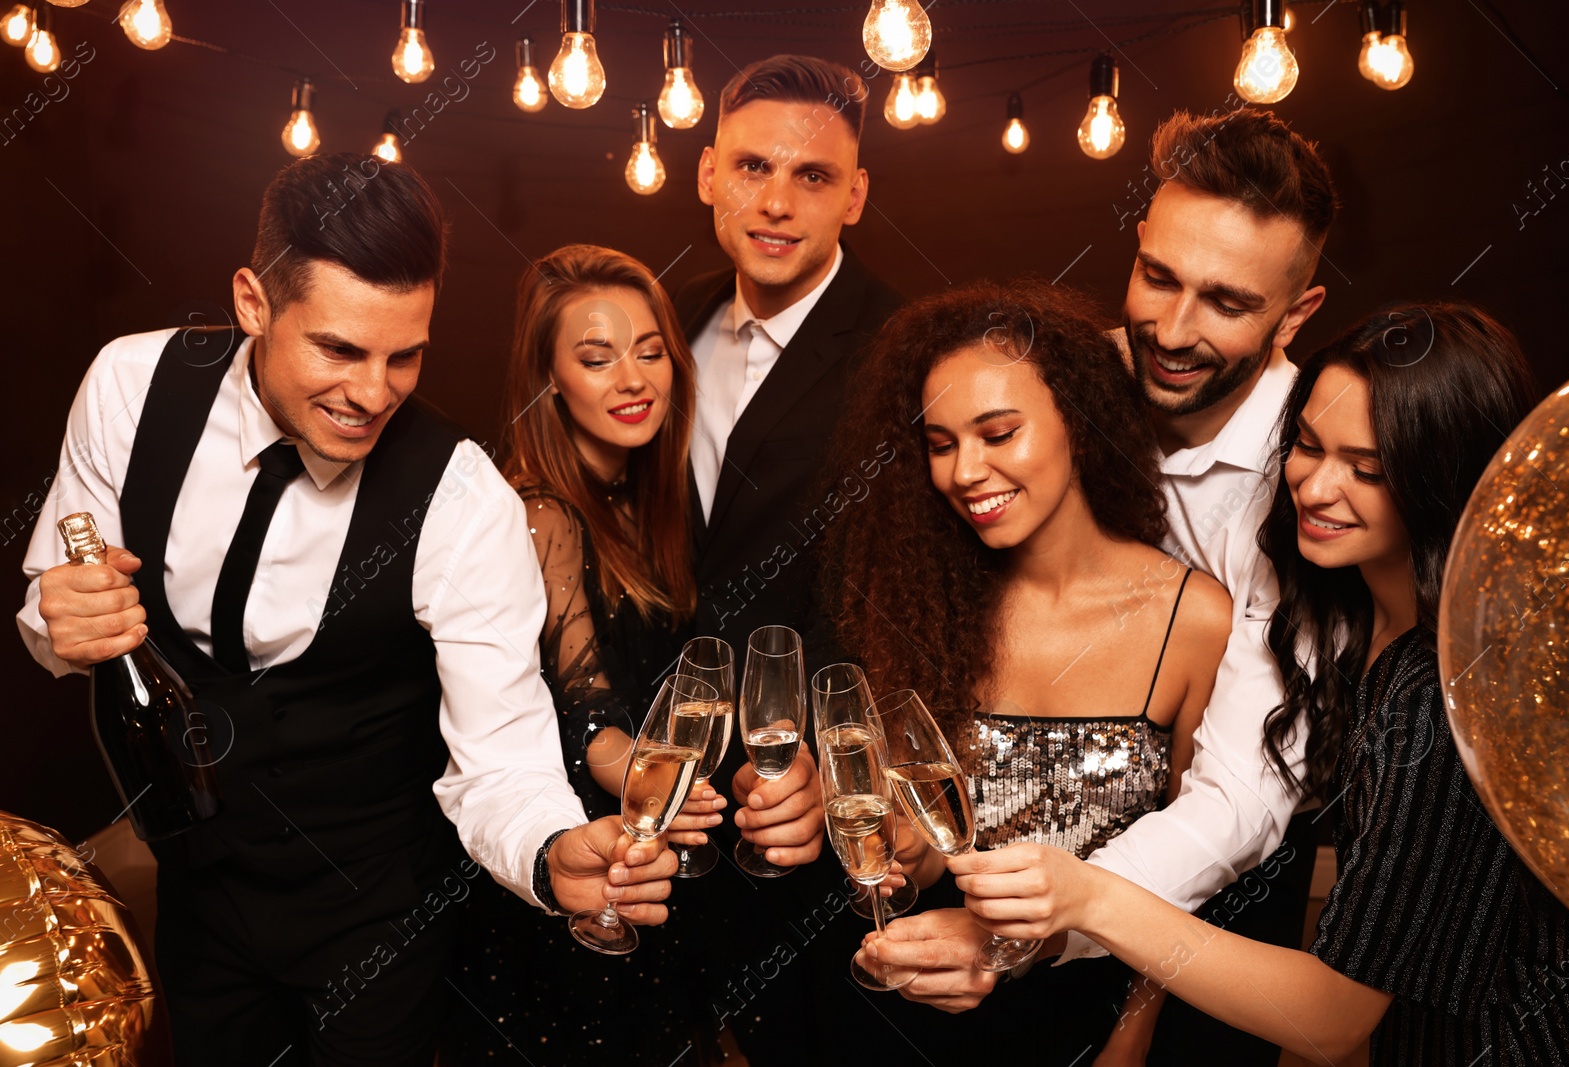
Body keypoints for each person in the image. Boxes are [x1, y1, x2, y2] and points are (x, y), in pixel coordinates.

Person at [16, 156, 677, 1065]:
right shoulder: (129, 389)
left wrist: (551, 846)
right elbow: (56, 599)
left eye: (405, 354)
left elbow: (502, 756)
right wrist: (57, 622)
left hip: (379, 914)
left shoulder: (461, 496)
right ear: (254, 302)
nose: (373, 393)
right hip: (199, 889)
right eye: (339, 349)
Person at [929, 303, 1569, 1064]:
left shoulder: (1442, 690)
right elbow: (1237, 797)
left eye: (1368, 468)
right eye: (1308, 446)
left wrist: (1089, 895)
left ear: (1443, 478)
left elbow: (1333, 1014)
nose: (1315, 487)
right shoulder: (1355, 624)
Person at [872, 106, 1337, 1065]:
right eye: (1157, 277)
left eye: (1227, 302)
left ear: (1297, 314)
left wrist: (1033, 930)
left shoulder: (1315, 479)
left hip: (1210, 928)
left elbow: (1235, 801)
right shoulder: (1071, 379)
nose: (1171, 329)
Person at [822, 279, 1231, 1061]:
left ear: (1077, 421)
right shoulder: (927, 602)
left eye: (997, 433)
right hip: (932, 999)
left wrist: (1132, 1034)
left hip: (1091, 1012)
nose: (965, 471)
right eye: (940, 444)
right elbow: (920, 838)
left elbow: (1200, 877)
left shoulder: (1193, 619)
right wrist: (904, 860)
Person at [669, 54, 904, 1063]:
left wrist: (836, 746)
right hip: (654, 797)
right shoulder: (655, 328)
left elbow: (912, 588)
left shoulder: (905, 349)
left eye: (812, 177)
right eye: (754, 166)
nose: (776, 201)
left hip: (808, 807)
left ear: (854, 195)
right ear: (708, 172)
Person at [439, 244, 706, 1063]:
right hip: (562, 869)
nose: (633, 378)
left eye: (650, 350)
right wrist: (644, 772)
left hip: (630, 856)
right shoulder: (535, 510)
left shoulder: (645, 495)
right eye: (597, 357)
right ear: (550, 379)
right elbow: (582, 698)